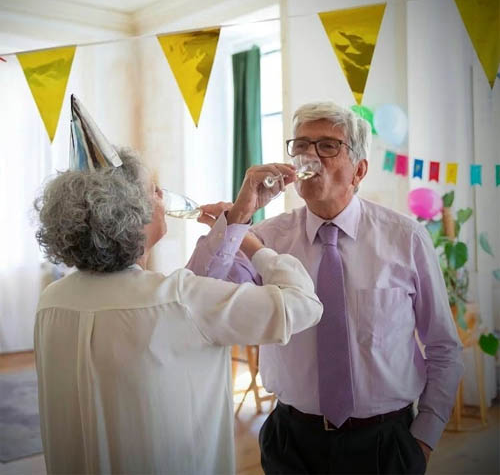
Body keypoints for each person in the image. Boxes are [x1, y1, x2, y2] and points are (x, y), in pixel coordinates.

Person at [187, 101, 464, 474]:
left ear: (359, 170)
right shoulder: (265, 237)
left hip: (385, 443)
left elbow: (443, 346)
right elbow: (203, 301)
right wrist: (239, 215)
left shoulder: (406, 239)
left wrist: (422, 440)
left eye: (327, 146)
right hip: (292, 443)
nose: (309, 156)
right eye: (301, 145)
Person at [33, 147, 323, 475]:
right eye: (153, 190)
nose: (162, 195)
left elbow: (193, 297)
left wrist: (236, 220)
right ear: (130, 212)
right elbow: (302, 305)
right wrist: (252, 243)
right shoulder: (178, 299)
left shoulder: (52, 301)